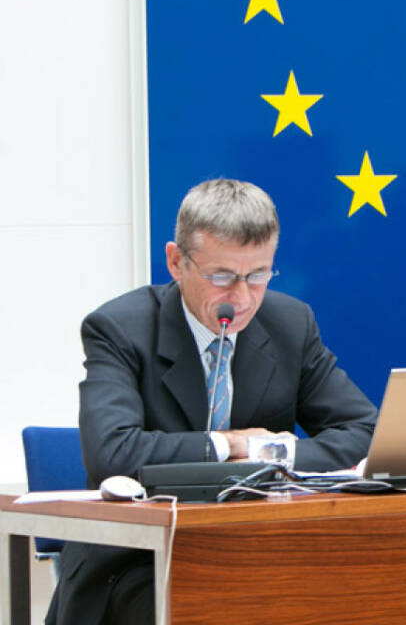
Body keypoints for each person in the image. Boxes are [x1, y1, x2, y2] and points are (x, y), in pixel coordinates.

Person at [49, 178, 377, 625]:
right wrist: (230, 444)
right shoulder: (119, 328)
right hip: (139, 564)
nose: (241, 298)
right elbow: (113, 453)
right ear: (175, 262)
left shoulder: (290, 324)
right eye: (222, 277)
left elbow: (366, 434)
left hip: (262, 552)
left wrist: (269, 452)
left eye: (258, 275)